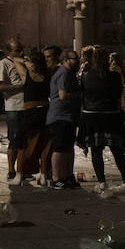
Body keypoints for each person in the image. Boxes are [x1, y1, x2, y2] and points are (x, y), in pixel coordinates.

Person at [79, 46, 125, 188]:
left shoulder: (85, 75)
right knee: (117, 149)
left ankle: (102, 182)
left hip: (92, 116)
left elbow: (82, 95)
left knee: (96, 150)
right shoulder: (114, 76)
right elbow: (118, 95)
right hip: (111, 116)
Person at [14, 50, 53, 185]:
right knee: (44, 144)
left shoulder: (27, 74)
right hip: (45, 110)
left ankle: (19, 174)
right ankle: (43, 174)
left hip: (30, 112)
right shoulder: (47, 74)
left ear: (31, 63)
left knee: (23, 144)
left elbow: (14, 59)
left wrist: (25, 61)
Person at [46, 48, 82, 189]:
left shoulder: (70, 74)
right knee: (59, 148)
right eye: (75, 59)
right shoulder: (64, 73)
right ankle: (56, 178)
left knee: (68, 148)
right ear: (66, 60)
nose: (77, 61)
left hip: (67, 115)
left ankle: (67, 176)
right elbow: (62, 95)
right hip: (59, 116)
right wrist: (78, 95)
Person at [0, 37, 28, 183]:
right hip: (14, 106)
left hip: (27, 106)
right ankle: (11, 170)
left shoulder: (23, 62)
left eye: (21, 49)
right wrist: (18, 86)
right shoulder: (3, 64)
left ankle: (22, 169)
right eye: (17, 50)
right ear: (9, 51)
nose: (21, 53)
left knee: (25, 140)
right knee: (14, 139)